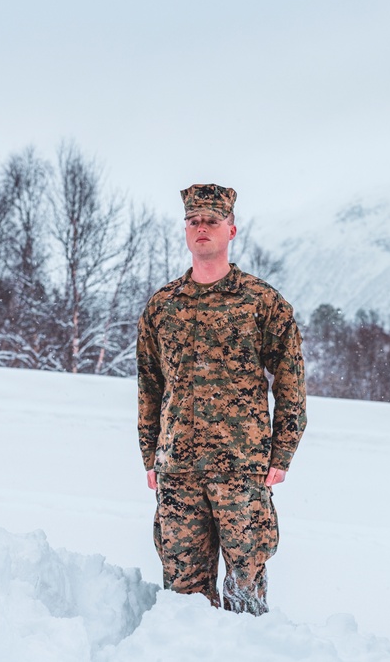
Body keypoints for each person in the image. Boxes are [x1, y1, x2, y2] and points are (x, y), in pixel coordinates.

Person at [136, 183, 307, 615]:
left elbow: (291, 381)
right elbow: (149, 387)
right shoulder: (163, 306)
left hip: (241, 468)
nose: (201, 228)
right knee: (183, 597)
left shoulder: (261, 302)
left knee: (244, 592)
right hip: (178, 470)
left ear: (231, 229)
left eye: (211, 220)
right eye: (193, 221)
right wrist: (149, 455)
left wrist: (282, 453)